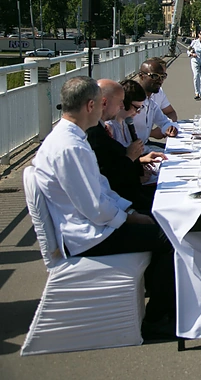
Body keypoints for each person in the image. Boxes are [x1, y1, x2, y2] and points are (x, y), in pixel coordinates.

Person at [31, 76, 176, 338]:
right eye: (101, 105)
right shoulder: (70, 147)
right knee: (169, 238)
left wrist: (131, 211)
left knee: (158, 220)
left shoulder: (71, 138)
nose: (105, 110)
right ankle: (157, 318)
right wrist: (131, 218)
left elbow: (102, 189)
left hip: (92, 225)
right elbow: (95, 208)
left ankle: (160, 298)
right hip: (88, 235)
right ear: (90, 106)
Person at [87, 79, 166, 213]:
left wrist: (138, 160)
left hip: (126, 196)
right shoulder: (96, 134)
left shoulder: (99, 130)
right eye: (120, 102)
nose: (122, 107)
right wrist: (129, 214)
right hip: (124, 201)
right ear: (104, 102)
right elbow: (109, 176)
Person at [132, 59, 179, 145]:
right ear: (141, 76)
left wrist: (169, 128)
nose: (159, 80)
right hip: (132, 151)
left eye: (163, 76)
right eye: (154, 76)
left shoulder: (151, 103)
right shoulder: (130, 100)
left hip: (144, 146)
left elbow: (165, 121)